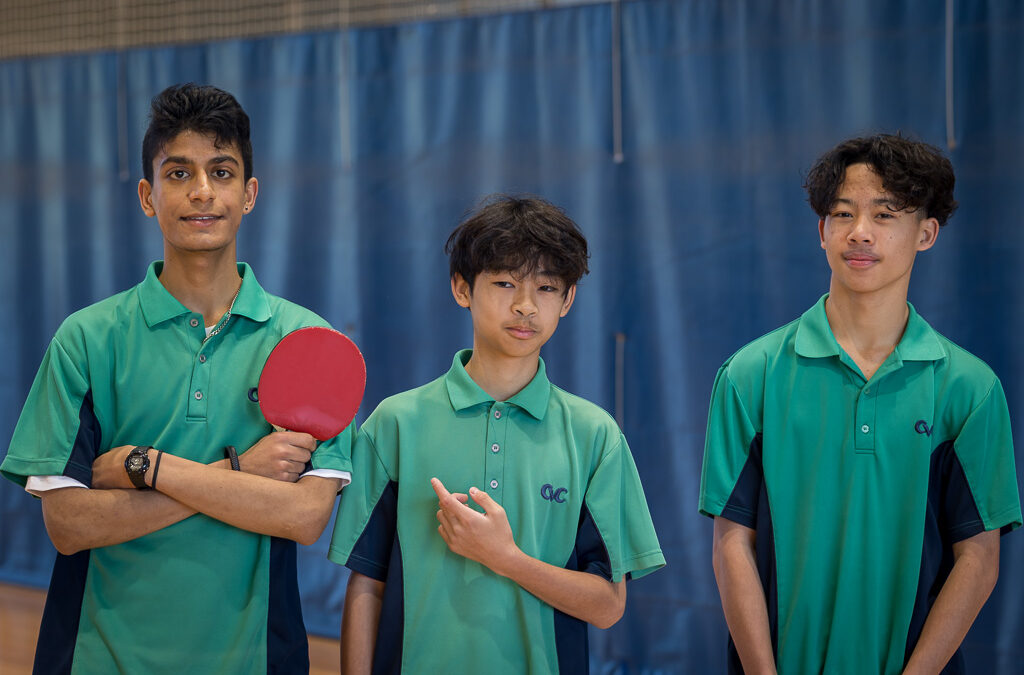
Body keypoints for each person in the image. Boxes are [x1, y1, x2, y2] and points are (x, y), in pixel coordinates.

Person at [1, 83, 352, 674]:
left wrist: (145, 467)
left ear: (250, 194)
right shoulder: (86, 340)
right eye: (178, 172)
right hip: (98, 658)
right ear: (147, 194)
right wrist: (239, 474)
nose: (202, 192)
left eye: (222, 171)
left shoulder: (306, 340)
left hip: (255, 659)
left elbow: (304, 518)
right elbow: (67, 525)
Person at [699, 134, 1022, 674]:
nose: (860, 233)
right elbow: (732, 544)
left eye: (885, 214)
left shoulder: (970, 388)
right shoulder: (749, 376)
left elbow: (978, 557)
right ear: (821, 231)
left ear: (926, 233)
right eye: (842, 213)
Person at [329, 195, 665, 673]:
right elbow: (367, 585)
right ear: (462, 289)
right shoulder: (395, 423)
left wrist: (506, 558)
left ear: (567, 300)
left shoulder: (595, 436)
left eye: (546, 288)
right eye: (505, 283)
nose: (525, 305)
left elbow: (608, 606)